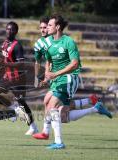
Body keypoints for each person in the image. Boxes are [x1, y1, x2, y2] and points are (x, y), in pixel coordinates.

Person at [31, 14, 112, 149]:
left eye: (49, 25)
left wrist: (55, 74)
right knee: (62, 116)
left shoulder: (68, 42)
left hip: (69, 78)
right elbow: (49, 61)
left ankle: (57, 142)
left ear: (57, 27)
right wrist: (47, 76)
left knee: (52, 106)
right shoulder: (48, 43)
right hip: (57, 80)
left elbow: (74, 64)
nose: (46, 28)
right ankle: (94, 107)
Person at [0, 21, 38, 135]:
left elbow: (21, 64)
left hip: (18, 79)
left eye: (11, 29)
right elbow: (5, 60)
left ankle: (33, 127)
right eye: (7, 29)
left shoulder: (17, 46)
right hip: (7, 77)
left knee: (22, 102)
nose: (9, 31)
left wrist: (5, 65)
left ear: (16, 32)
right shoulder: (5, 43)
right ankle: (12, 109)